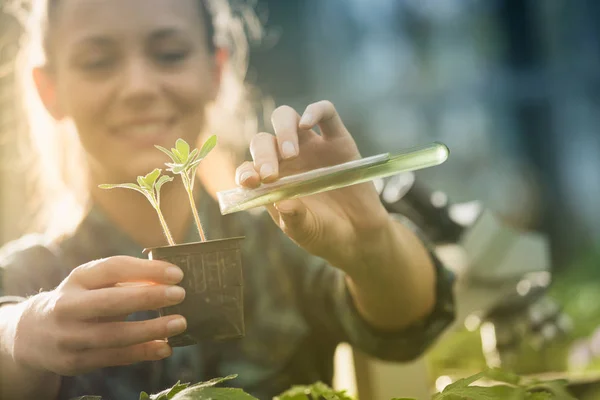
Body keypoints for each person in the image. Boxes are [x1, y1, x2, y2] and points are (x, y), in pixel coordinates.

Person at [0, 0, 455, 399]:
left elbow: (407, 324)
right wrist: (21, 332)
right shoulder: (31, 276)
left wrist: (371, 243)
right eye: (98, 61)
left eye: (170, 54)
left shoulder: (282, 243)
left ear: (216, 71)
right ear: (50, 90)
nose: (138, 86)